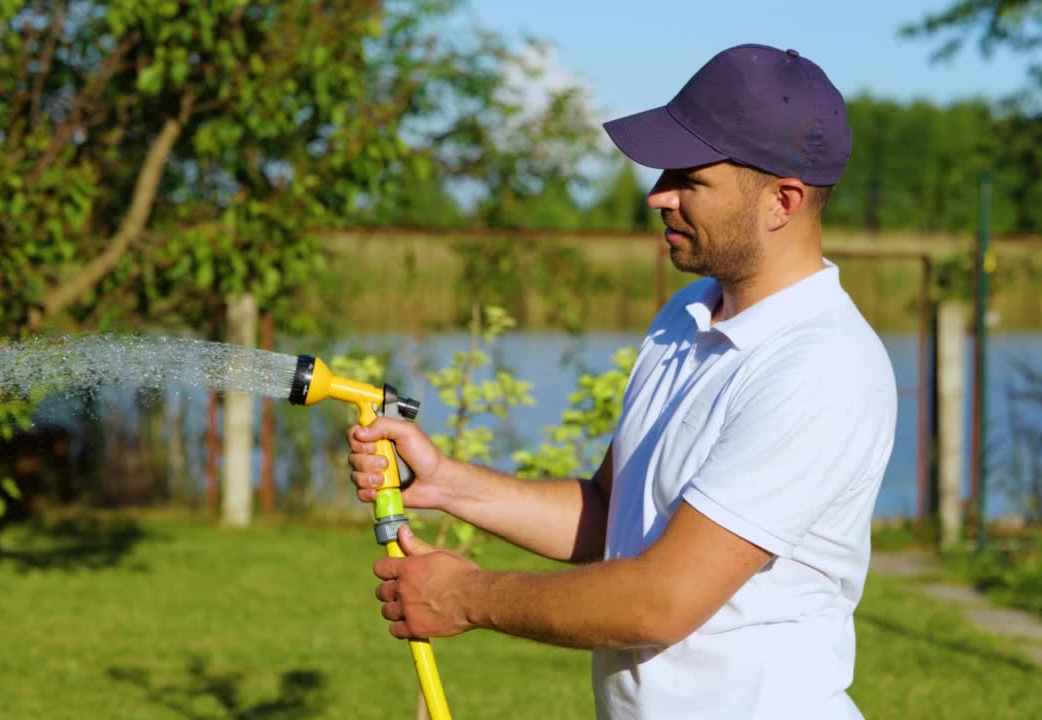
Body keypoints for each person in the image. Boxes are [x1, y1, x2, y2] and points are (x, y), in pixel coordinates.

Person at [347, 43, 896, 719]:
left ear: (782, 201)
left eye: (689, 179)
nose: (657, 193)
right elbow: (614, 515)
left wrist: (466, 597)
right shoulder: (683, 318)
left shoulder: (821, 366)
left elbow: (657, 601)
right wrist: (447, 484)